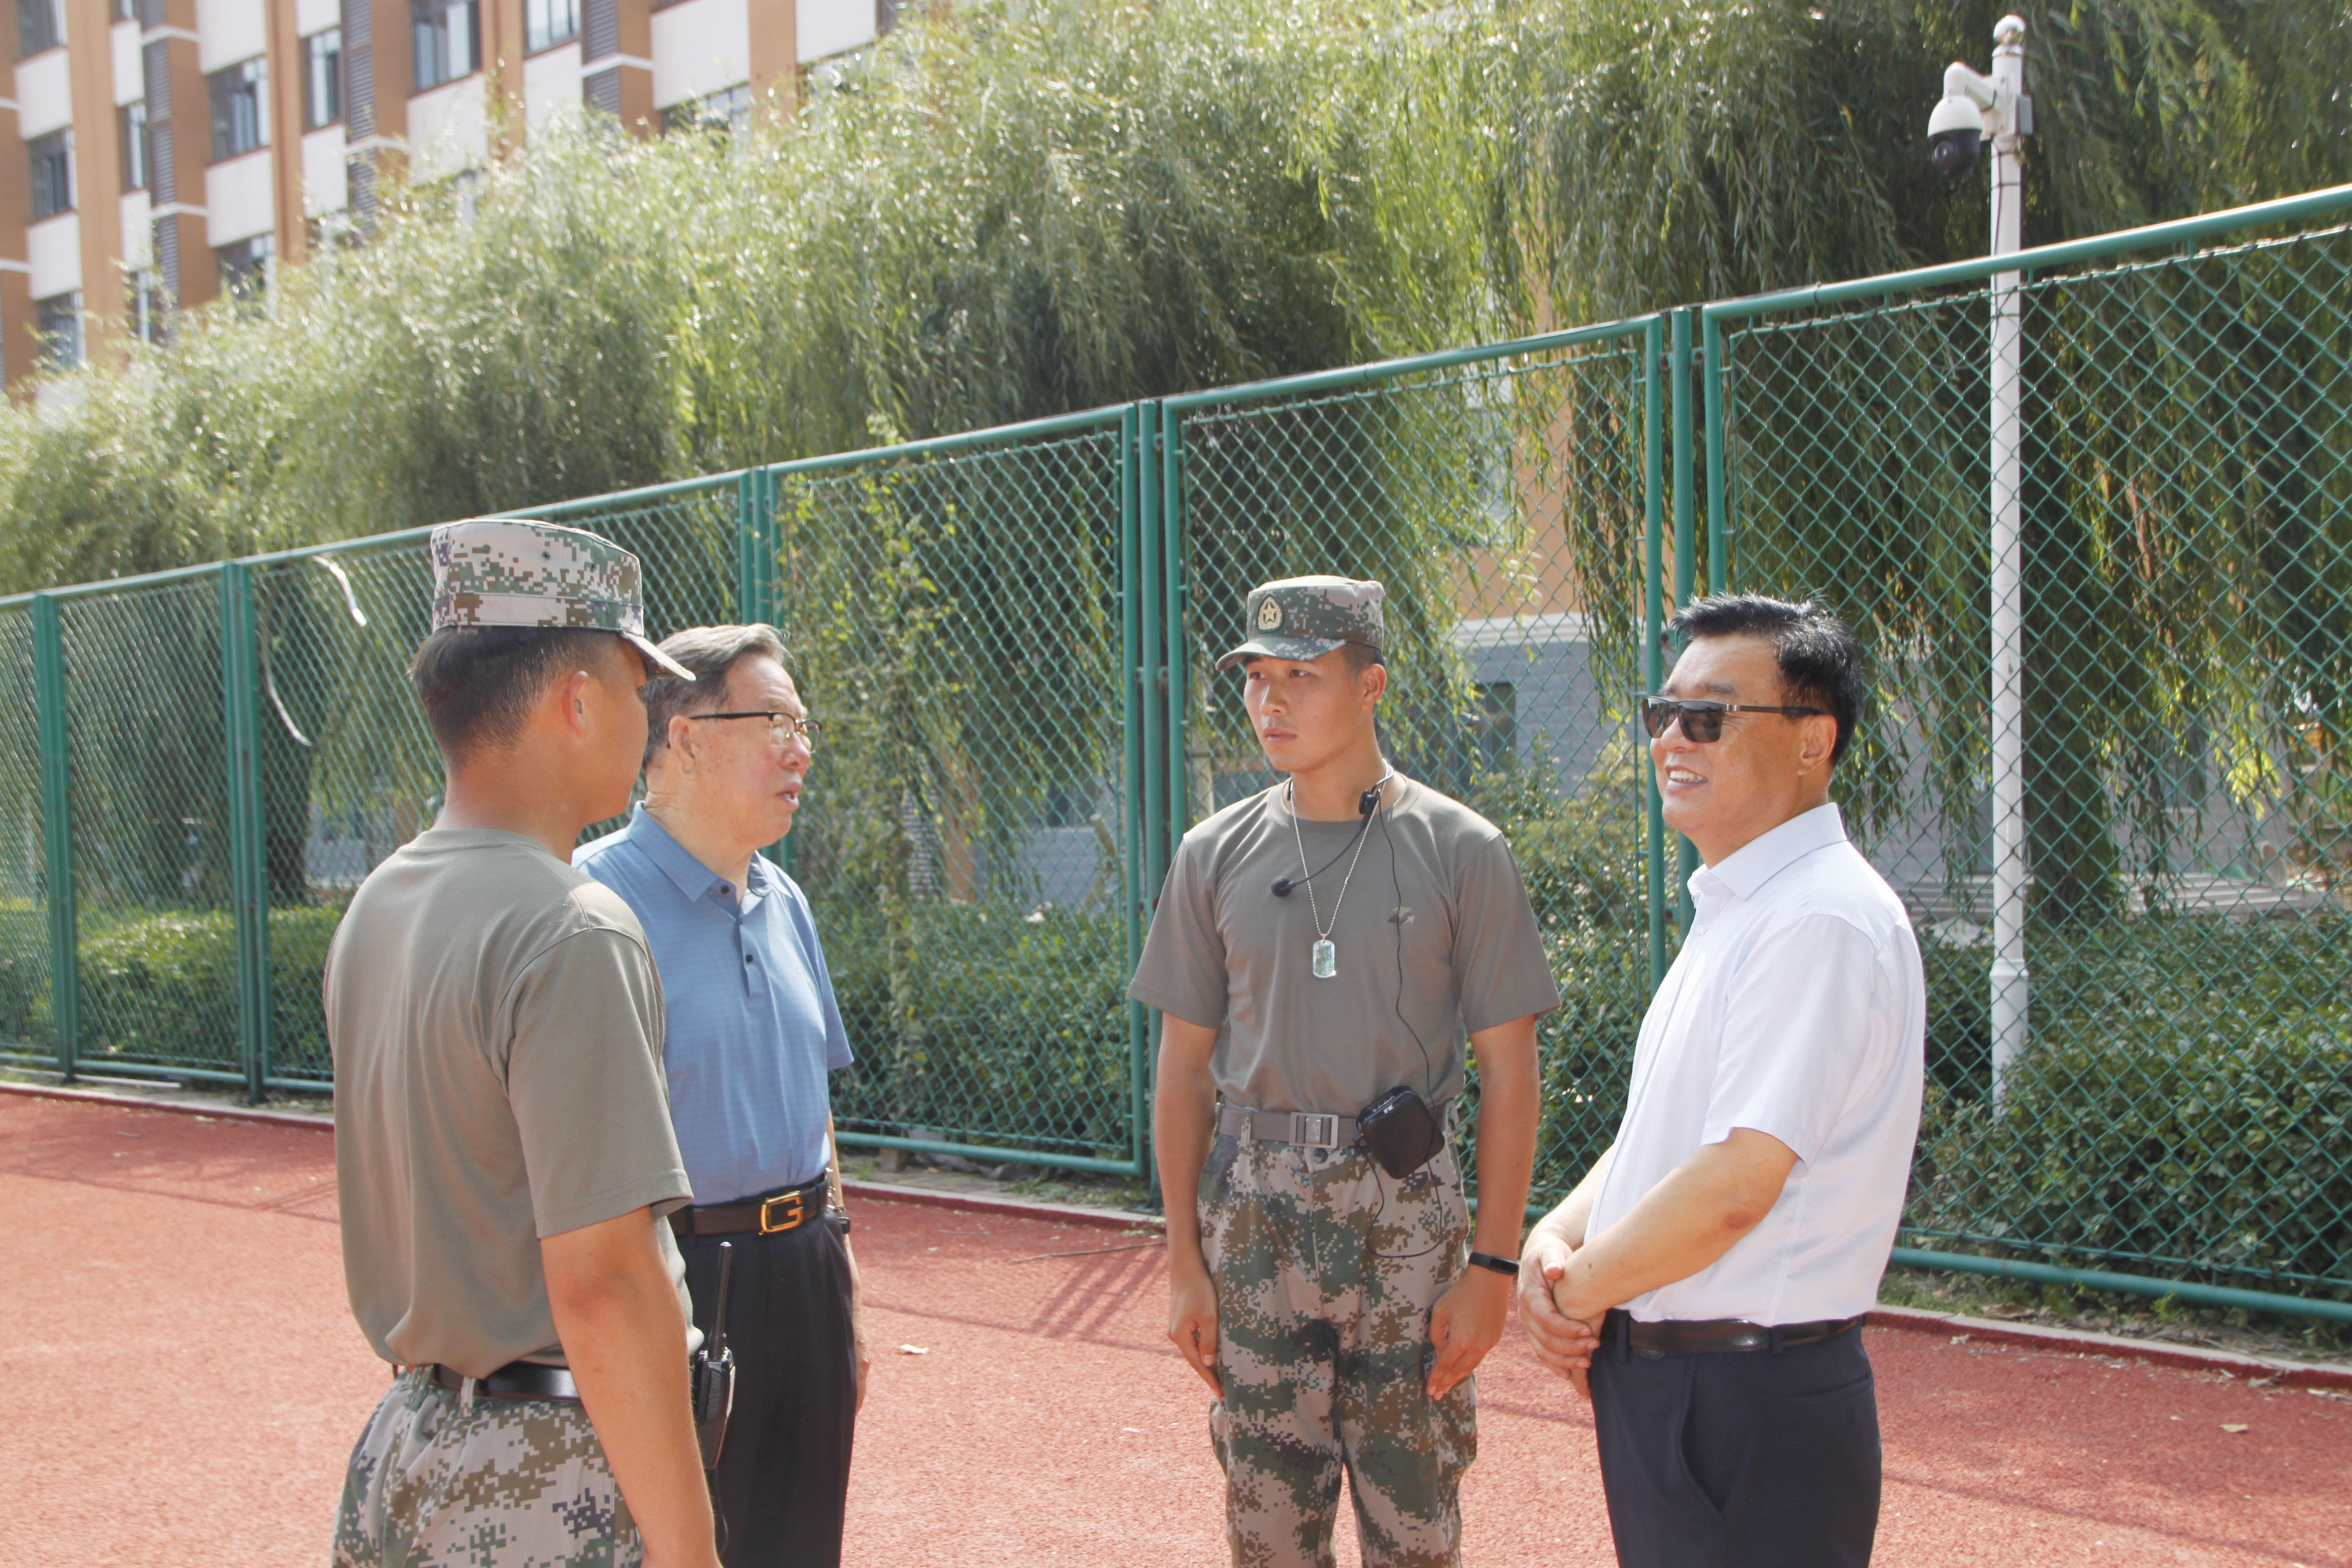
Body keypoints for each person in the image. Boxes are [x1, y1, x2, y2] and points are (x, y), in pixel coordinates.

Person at [1131, 575, 1562, 1568]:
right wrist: (1184, 1264)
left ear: (1372, 685)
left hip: (1404, 1216)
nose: (1270, 702)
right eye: (1256, 678)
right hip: (1255, 1222)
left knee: (1415, 1526)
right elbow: (1184, 1071)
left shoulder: (1462, 851)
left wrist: (1493, 1270)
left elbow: (1511, 1071)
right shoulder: (1212, 853)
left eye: (1302, 677)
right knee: (1268, 1530)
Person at [327, 519, 722, 1568]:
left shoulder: (380, 904)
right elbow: (603, 1282)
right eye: (638, 687)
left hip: (410, 1448)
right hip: (548, 1478)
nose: (648, 715)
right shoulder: (571, 927)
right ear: (578, 702)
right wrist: (690, 1551)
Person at [1517, 593, 1925, 1568]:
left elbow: (1739, 1180)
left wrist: (1578, 1291)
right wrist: (1555, 1238)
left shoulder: (1818, 918)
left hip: (1750, 1400)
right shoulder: (1745, 906)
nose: (1672, 739)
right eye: (1664, 713)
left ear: (1812, 740)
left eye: (1709, 716)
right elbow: (1665, 1135)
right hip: (1688, 1388)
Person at [574, 624, 868, 1568]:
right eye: (775, 722)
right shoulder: (591, 906)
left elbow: (814, 1111)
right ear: (685, 739)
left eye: (803, 726)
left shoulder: (787, 901)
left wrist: (844, 1288)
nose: (800, 750)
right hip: (681, 1281)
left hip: (807, 1271)